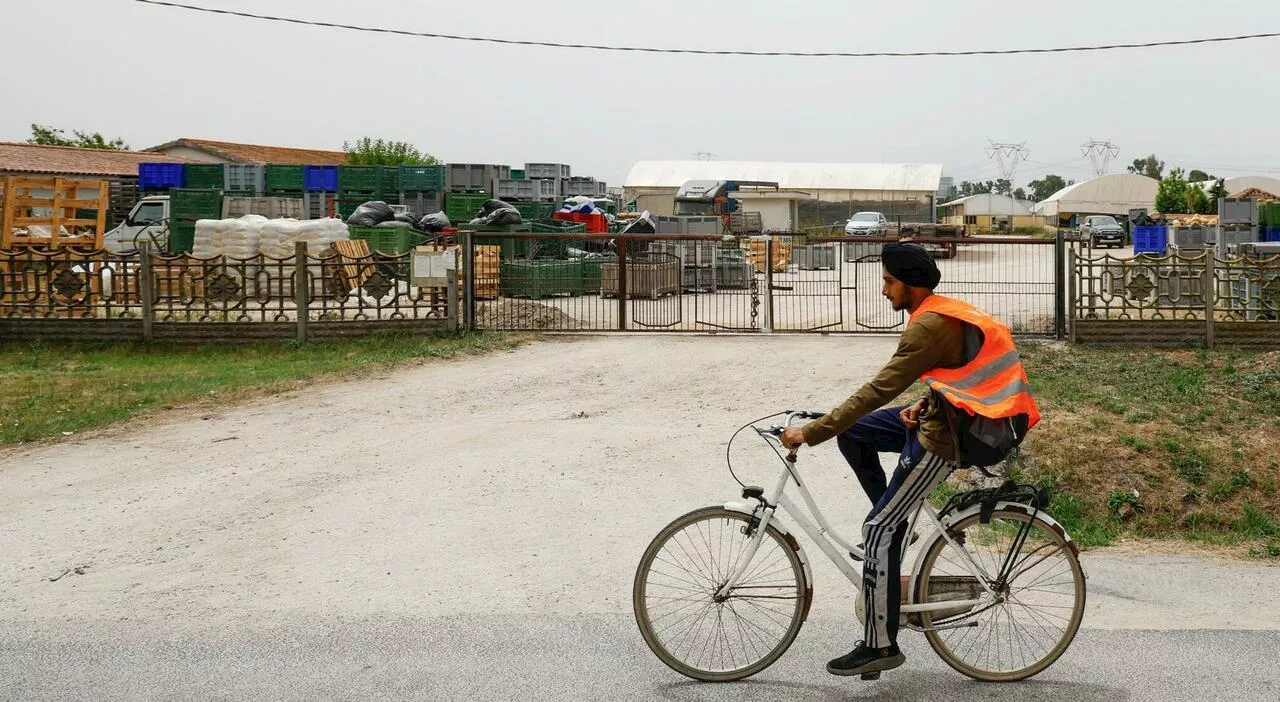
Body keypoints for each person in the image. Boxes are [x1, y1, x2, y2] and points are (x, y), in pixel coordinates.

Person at [780, 242, 1040, 679]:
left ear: (911, 285)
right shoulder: (938, 311)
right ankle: (893, 521)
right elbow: (957, 368)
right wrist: (926, 399)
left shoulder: (926, 327)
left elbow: (877, 390)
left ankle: (879, 645)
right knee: (854, 434)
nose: (884, 291)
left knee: (877, 529)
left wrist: (811, 432)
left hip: (946, 438)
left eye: (888, 281)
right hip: (938, 416)